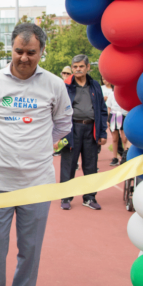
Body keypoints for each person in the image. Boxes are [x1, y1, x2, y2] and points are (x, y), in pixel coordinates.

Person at [0, 23, 73, 286]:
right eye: (19, 51)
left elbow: (63, 125)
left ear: (41, 51)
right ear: (12, 48)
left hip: (37, 184)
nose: (24, 58)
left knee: (30, 250)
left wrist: (40, 145)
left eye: (31, 52)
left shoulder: (54, 85)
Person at [59, 54, 108, 211]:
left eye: (81, 66)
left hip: (91, 129)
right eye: (75, 67)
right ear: (72, 68)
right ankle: (65, 197)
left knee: (91, 165)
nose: (78, 69)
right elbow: (57, 110)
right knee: (69, 164)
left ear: (88, 68)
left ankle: (89, 197)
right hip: (71, 130)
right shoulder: (65, 86)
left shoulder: (95, 86)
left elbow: (102, 109)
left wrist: (102, 133)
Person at [106, 87, 129, 166]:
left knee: (124, 138)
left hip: (123, 116)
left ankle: (125, 157)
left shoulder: (125, 94)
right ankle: (115, 157)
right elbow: (109, 108)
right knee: (115, 138)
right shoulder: (112, 95)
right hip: (114, 116)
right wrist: (108, 120)